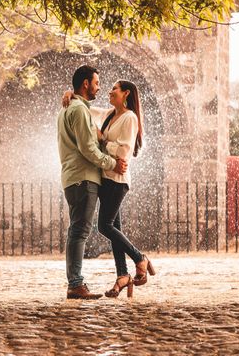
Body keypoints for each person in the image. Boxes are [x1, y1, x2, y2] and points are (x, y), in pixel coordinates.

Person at [63, 80, 155, 298]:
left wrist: (104, 141)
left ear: (126, 94)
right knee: (115, 228)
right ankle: (122, 275)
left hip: (117, 179)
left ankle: (140, 258)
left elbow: (124, 151)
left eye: (114, 88)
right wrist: (71, 95)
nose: (109, 91)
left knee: (104, 226)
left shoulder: (129, 118)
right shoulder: (109, 114)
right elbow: (86, 109)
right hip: (106, 178)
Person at [57, 65, 127, 300]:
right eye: (96, 82)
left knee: (77, 230)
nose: (99, 87)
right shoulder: (78, 110)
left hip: (73, 177)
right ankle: (75, 284)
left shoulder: (70, 108)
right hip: (83, 178)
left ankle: (75, 282)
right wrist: (111, 163)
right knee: (79, 231)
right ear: (86, 84)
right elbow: (88, 149)